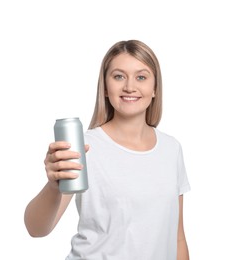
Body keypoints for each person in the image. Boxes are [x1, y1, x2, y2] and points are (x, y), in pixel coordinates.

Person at [24, 40, 191, 260]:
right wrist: (53, 186)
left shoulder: (171, 149)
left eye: (141, 77)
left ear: (154, 88)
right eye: (119, 76)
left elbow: (176, 236)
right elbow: (36, 229)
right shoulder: (84, 148)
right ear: (105, 87)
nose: (130, 86)